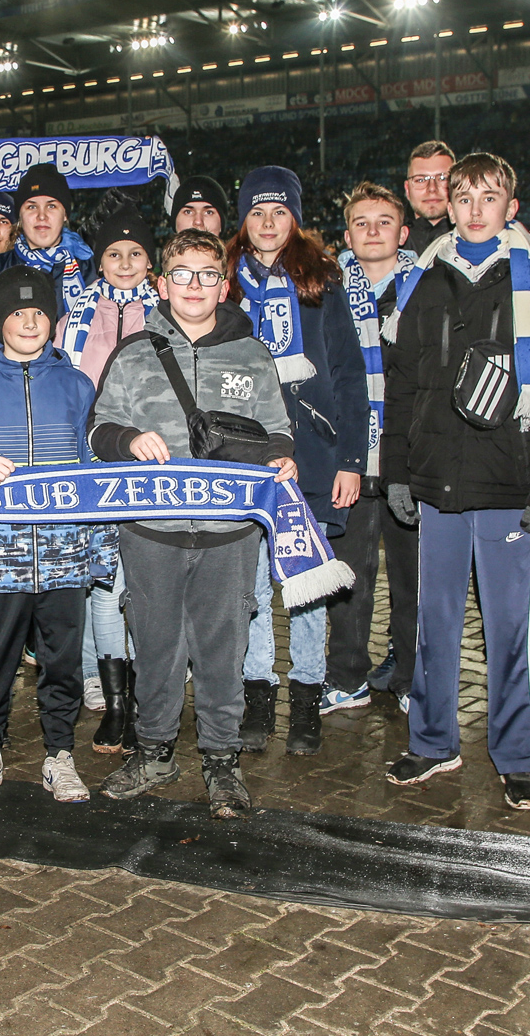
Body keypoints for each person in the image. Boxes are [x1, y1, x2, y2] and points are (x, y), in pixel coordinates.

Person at [382, 152, 530, 811]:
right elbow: (403, 385)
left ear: (511, 205)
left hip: (510, 484)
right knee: (433, 621)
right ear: (448, 202)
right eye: (463, 195)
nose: (474, 208)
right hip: (438, 480)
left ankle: (517, 755)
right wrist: (396, 472)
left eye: (488, 196)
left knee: (510, 627)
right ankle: (434, 740)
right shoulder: (421, 278)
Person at [88, 229, 295, 819]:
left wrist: (282, 456)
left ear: (224, 284)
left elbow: (279, 431)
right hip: (152, 531)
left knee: (221, 648)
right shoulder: (133, 353)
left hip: (231, 531)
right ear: (163, 283)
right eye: (183, 274)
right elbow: (98, 433)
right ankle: (155, 751)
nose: (195, 286)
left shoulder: (252, 354)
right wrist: (129, 439)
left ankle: (221, 759)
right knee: (154, 645)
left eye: (208, 274)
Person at [0, 266, 112, 804]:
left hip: (65, 555)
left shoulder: (78, 385)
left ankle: (59, 754)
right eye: (17, 313)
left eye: (39, 312)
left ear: (53, 320)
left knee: (62, 661)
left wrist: (101, 548)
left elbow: (93, 471)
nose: (29, 322)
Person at [226, 166, 370, 756]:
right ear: (242, 221)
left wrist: (351, 458)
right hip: (242, 457)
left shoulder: (321, 284)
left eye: (278, 212)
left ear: (295, 219)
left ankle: (307, 695)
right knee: (251, 585)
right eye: (256, 213)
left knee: (307, 582)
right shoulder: (224, 285)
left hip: (311, 457)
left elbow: (349, 374)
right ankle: (258, 693)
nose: (267, 224)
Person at [53, 210, 159, 752]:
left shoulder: (165, 311)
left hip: (150, 458)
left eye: (135, 253)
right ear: (100, 260)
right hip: (90, 459)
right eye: (114, 254)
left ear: (149, 260)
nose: (124, 263)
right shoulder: (74, 309)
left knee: (147, 572)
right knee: (101, 574)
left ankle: (150, 680)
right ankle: (111, 692)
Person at [321, 183, 421, 718]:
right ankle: (347, 676)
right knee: (349, 573)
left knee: (413, 578)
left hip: (410, 458)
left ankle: (409, 675)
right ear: (347, 234)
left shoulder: (427, 287)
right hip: (355, 458)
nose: (374, 230)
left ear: (403, 232)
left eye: (384, 221)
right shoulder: (330, 291)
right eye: (362, 222)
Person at [0, 163, 93, 313]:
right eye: (32, 207)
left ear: (65, 214)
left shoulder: (90, 270)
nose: (42, 216)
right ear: (20, 216)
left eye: (51, 206)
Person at [402, 140, 455, 253]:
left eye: (442, 178)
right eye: (420, 180)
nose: (432, 188)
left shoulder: (477, 235)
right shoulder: (388, 237)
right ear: (407, 189)